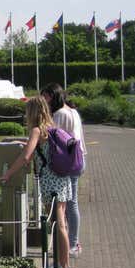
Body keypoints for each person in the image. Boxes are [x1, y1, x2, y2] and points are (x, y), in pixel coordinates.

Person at [0, 96, 73, 268]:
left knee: (58, 224)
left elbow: (26, 156)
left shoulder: (36, 130)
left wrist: (8, 174)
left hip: (50, 183)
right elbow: (36, 151)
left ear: (32, 112)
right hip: (63, 179)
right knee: (62, 222)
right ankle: (62, 264)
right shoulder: (52, 129)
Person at [41, 82, 86, 258]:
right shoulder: (73, 111)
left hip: (67, 162)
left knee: (69, 204)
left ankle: (72, 244)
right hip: (78, 159)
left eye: (45, 96)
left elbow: (52, 138)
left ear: (52, 96)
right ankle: (72, 242)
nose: (44, 100)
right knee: (71, 203)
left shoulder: (59, 114)